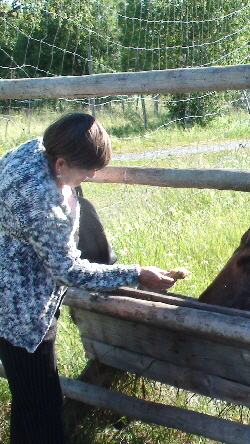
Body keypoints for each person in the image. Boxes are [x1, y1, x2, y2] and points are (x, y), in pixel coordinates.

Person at [0, 113, 175, 443]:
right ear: (61, 163)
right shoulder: (43, 202)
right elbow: (70, 271)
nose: (92, 176)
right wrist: (136, 273)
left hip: (7, 286)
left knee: (29, 400)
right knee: (41, 407)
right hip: (21, 310)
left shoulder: (31, 151)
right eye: (86, 171)